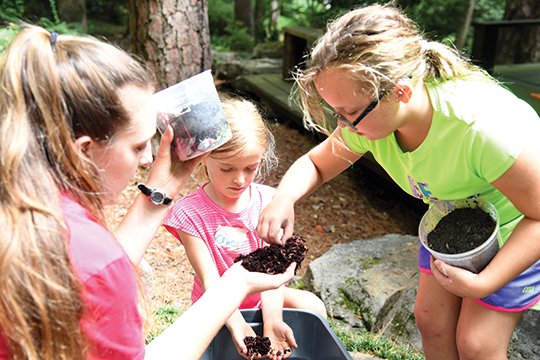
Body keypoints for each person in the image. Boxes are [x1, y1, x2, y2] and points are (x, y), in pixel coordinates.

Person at [256, 4, 540, 360]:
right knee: (431, 321)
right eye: (336, 112)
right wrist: (284, 198)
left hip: (519, 226)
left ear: (400, 91)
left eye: (348, 113)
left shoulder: (481, 129)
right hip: (456, 216)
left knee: (477, 343)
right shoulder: (371, 119)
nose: (343, 126)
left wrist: (486, 282)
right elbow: (317, 162)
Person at [0, 25, 296, 360]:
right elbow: (99, 273)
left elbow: (97, 272)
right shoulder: (92, 259)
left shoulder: (31, 208)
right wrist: (235, 285)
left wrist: (162, 189)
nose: (147, 158)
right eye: (138, 145)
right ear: (84, 150)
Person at [163, 96, 327, 359]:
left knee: (312, 305)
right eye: (227, 168)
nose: (239, 179)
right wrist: (236, 323)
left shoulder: (270, 202)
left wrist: (272, 320)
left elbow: (273, 272)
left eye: (250, 168)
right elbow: (210, 281)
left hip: (264, 297)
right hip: (218, 304)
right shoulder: (189, 213)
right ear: (204, 158)